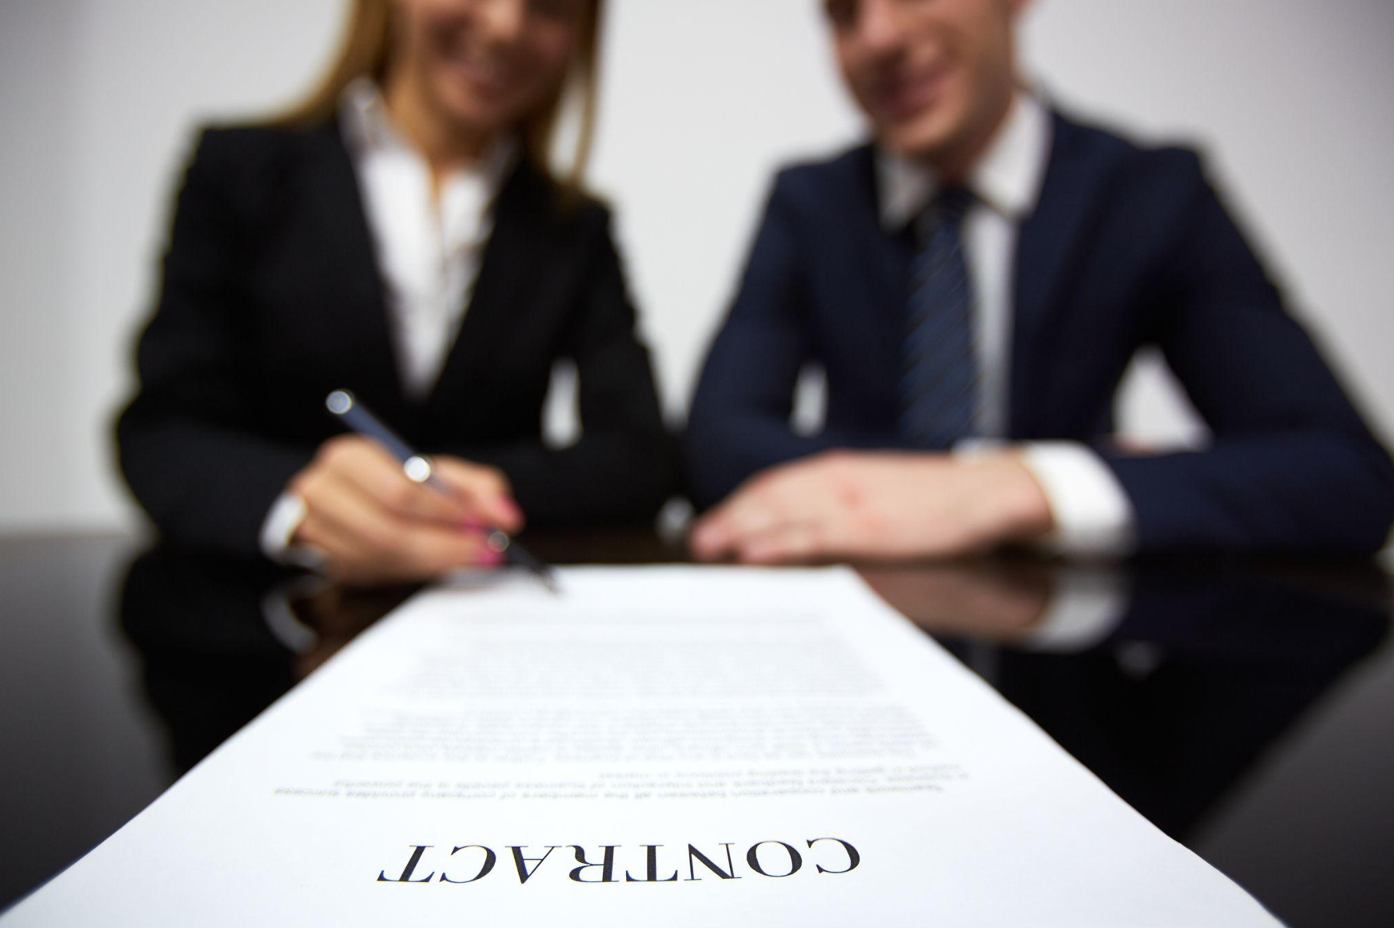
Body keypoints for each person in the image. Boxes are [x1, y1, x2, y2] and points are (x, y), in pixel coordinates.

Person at [685, 0, 1394, 563]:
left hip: (1073, 664)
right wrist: (997, 476)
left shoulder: (1151, 195)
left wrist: (1026, 489)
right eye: (842, 12)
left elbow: (1345, 477)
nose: (879, 36)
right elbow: (716, 444)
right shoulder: (810, 204)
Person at [117, 0, 674, 582]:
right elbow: (164, 432)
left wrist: (444, 490)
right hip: (259, 629)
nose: (506, 24)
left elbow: (639, 455)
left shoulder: (573, 226)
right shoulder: (240, 173)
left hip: (482, 613)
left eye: (550, 6)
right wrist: (300, 506)